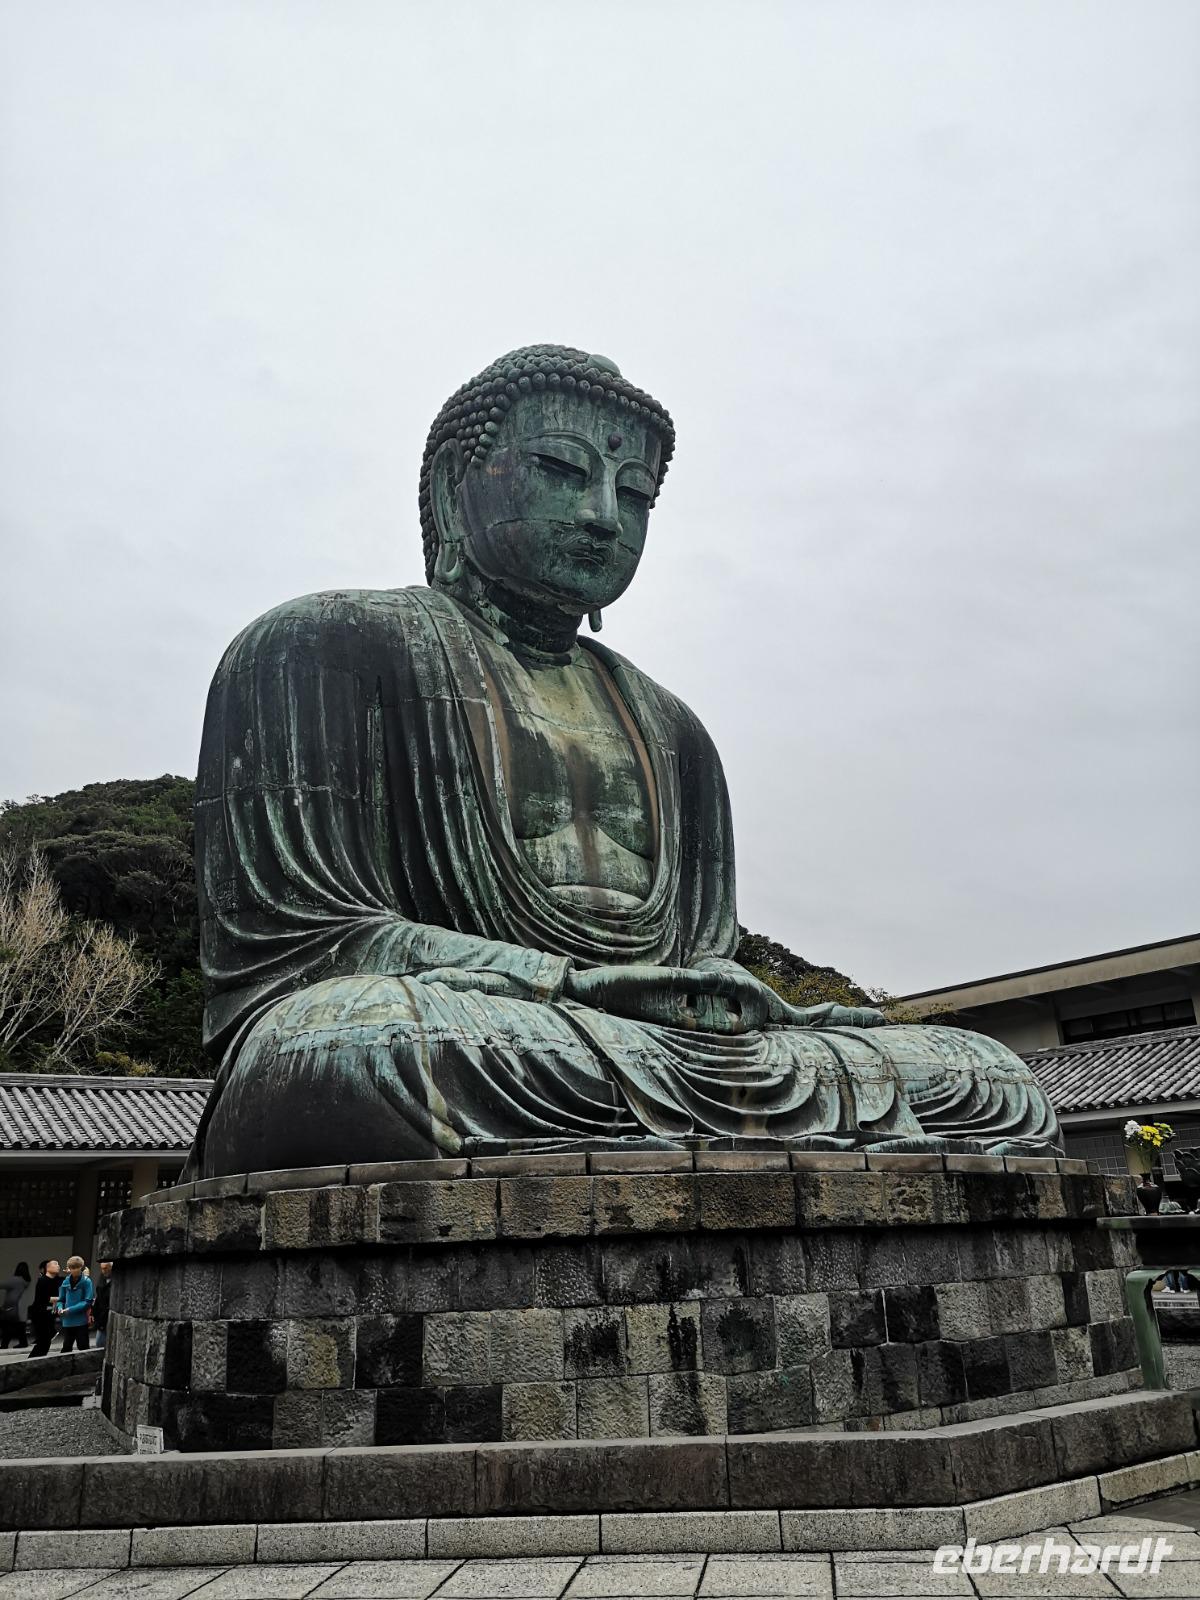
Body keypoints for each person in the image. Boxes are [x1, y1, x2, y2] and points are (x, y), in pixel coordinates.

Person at [184, 344, 1062, 1177]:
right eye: (564, 472)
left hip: (645, 1051)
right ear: (456, 489)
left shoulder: (674, 729)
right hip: (470, 1031)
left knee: (986, 1074)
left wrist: (731, 1003)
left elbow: (699, 962)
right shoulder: (318, 647)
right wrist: (569, 980)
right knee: (353, 1051)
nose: (605, 516)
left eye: (635, 493)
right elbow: (305, 949)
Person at [56, 1256, 94, 1353]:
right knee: (66, 1348)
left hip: (81, 1320)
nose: (75, 1270)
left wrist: (70, 1309)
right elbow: (61, 1300)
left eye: (77, 1267)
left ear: (81, 1267)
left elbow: (88, 1301)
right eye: (72, 1268)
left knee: (83, 1347)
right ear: (69, 1269)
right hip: (68, 1321)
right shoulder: (65, 1282)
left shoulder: (86, 1281)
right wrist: (60, 1308)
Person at [28, 1259, 60, 1358]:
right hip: (40, 1314)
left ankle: (36, 1359)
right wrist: (59, 1299)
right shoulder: (42, 1280)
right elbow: (42, 1299)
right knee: (43, 1341)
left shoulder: (57, 1280)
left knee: (45, 1342)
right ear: (47, 1268)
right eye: (55, 1264)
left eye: (58, 1264)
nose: (58, 1266)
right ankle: (33, 1360)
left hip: (49, 1314)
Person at [0, 1262, 31, 1349]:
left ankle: (4, 1345)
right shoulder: (26, 1281)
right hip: (20, 1307)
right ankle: (22, 1343)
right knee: (18, 1326)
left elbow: (2, 1284)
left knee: (7, 1325)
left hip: (12, 1307)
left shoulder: (16, 1280)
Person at [92, 1260, 113, 1348]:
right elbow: (98, 1299)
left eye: (106, 1268)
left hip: (110, 1315)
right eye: (102, 1268)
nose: (103, 1271)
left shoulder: (117, 1281)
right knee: (100, 1343)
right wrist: (93, 1313)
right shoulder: (102, 1280)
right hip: (101, 1318)